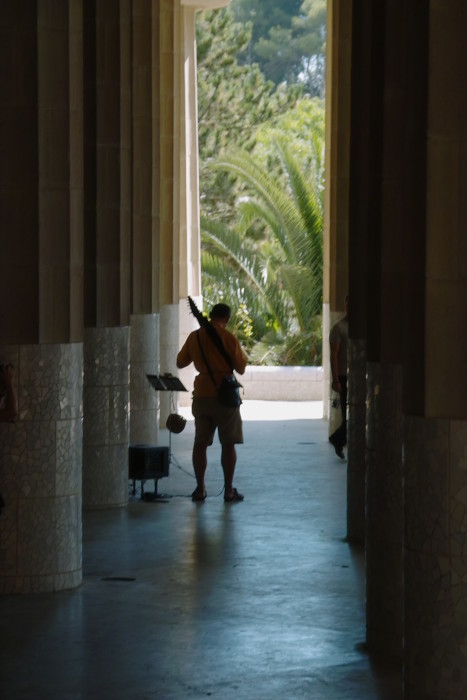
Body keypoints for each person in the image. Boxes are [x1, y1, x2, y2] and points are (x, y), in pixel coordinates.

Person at [176, 303, 247, 502]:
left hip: (202, 395)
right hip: (225, 396)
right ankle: (229, 491)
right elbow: (241, 368)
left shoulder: (194, 337)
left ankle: (200, 489)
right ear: (227, 318)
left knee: (200, 444)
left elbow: (180, 362)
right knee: (228, 444)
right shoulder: (228, 338)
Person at [329, 296, 348, 459]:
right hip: (343, 377)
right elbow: (333, 355)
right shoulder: (338, 328)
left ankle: (337, 439)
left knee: (353, 417)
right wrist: (335, 380)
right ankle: (337, 439)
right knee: (348, 416)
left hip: (359, 377)